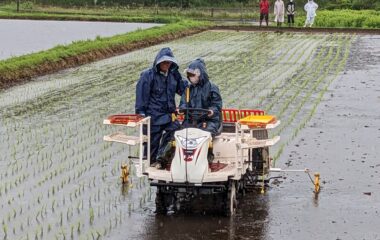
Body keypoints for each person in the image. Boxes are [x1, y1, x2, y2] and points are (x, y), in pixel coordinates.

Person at [135, 47, 187, 168]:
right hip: (153, 117)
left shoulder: (173, 75)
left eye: (169, 62)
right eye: (164, 62)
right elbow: (141, 99)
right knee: (151, 143)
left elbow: (184, 90)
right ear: (158, 62)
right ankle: (150, 163)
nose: (166, 64)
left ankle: (162, 158)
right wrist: (141, 116)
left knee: (176, 131)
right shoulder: (148, 76)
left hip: (169, 115)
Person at [179, 58, 222, 138]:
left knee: (203, 136)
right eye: (189, 75)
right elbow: (183, 103)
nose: (190, 77)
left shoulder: (212, 88)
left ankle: (206, 150)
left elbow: (217, 105)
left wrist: (212, 111)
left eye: (192, 75)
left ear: (200, 74)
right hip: (191, 120)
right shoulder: (188, 89)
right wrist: (182, 108)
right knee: (181, 135)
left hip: (209, 121)